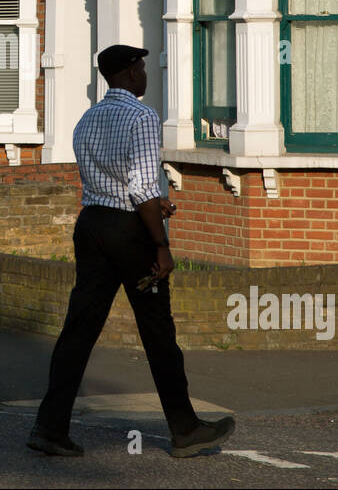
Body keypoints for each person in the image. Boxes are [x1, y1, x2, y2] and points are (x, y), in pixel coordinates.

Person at [28, 44, 236, 458]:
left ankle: (49, 427)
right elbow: (141, 186)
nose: (144, 73)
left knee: (78, 330)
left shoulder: (87, 119)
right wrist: (161, 245)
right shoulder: (142, 116)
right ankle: (186, 429)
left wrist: (148, 204)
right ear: (127, 73)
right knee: (158, 332)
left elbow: (107, 180)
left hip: (91, 225)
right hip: (130, 233)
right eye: (140, 67)